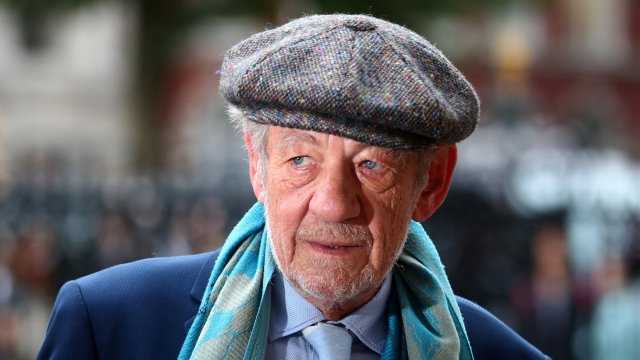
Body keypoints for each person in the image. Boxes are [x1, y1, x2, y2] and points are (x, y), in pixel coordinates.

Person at [38, 14, 548, 359]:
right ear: (257, 168)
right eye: (301, 159)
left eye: (371, 166)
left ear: (431, 183)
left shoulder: (495, 352)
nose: (332, 203)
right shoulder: (108, 326)